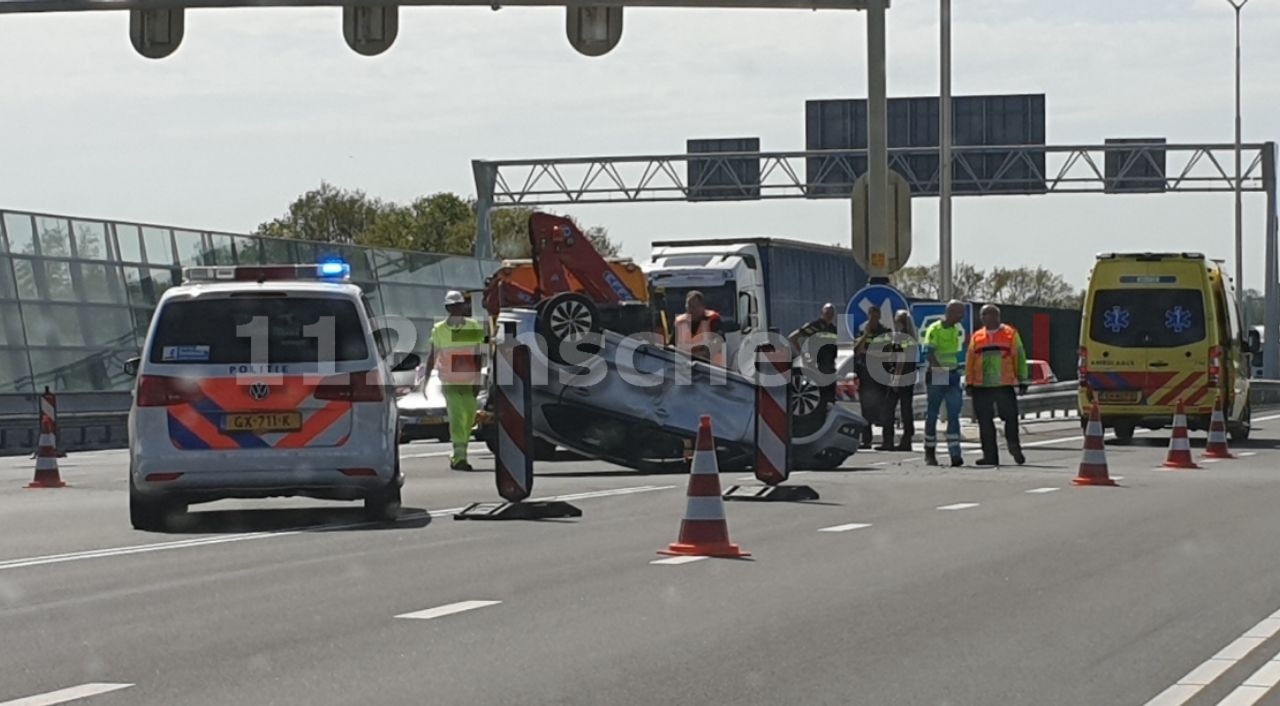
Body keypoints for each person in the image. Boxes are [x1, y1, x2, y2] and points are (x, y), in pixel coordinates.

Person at [426, 290, 486, 471]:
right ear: (447, 308)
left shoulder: (473, 326)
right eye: (452, 307)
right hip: (450, 382)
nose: (456, 310)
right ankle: (460, 457)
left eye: (458, 306)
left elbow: (478, 355)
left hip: (469, 382)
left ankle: (459, 452)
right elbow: (433, 354)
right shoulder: (440, 329)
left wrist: (478, 379)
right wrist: (426, 378)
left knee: (469, 418)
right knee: (457, 418)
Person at [965, 304, 1030, 467]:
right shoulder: (977, 337)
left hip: (1003, 385)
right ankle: (990, 456)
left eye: (987, 314)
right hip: (982, 386)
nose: (984, 318)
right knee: (985, 422)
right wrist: (969, 382)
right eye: (983, 315)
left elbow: (1019, 357)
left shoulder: (1010, 334)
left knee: (1010, 418)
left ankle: (1013, 445)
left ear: (997, 316)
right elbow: (970, 361)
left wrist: (1022, 380)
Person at [920, 301, 968, 467]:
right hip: (939, 374)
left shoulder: (956, 330)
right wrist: (940, 371)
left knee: (954, 414)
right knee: (933, 414)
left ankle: (955, 453)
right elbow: (928, 353)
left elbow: (957, 354)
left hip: (953, 374)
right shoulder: (935, 329)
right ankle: (930, 452)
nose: (962, 316)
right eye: (959, 313)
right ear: (950, 312)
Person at [854, 305, 893, 449]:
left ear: (880, 317)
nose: (873, 319)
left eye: (876, 317)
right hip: (865, 374)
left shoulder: (886, 332)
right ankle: (866, 440)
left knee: (885, 409)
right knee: (866, 409)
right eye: (871, 316)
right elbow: (857, 350)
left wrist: (869, 353)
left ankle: (887, 441)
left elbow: (888, 354)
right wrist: (865, 335)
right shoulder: (863, 330)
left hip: (881, 373)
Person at [789, 303, 840, 411]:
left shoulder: (834, 329)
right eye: (827, 313)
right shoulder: (814, 326)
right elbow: (793, 338)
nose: (829, 315)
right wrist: (803, 355)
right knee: (817, 399)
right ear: (822, 313)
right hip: (815, 367)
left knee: (830, 400)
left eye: (831, 313)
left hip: (830, 368)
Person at [881, 309, 918, 451]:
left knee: (888, 409)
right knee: (906, 409)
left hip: (900, 376)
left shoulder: (901, 337)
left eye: (896, 320)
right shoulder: (911, 338)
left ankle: (888, 441)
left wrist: (895, 379)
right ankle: (907, 439)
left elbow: (900, 360)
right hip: (909, 376)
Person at [673, 290, 726, 366]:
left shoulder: (713, 320)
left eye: (695, 306)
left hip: (710, 368)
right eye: (689, 306)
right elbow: (672, 345)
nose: (691, 310)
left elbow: (719, 340)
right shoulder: (679, 322)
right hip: (685, 367)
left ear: (703, 307)